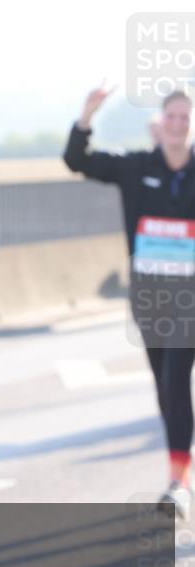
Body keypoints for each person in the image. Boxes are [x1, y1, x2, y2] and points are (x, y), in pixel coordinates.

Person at [64, 86, 195, 518]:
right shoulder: (136, 167)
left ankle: (177, 483)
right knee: (165, 386)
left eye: (185, 117)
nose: (178, 124)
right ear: (161, 122)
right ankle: (182, 463)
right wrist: (87, 117)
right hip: (151, 297)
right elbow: (77, 161)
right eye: (172, 116)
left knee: (177, 379)